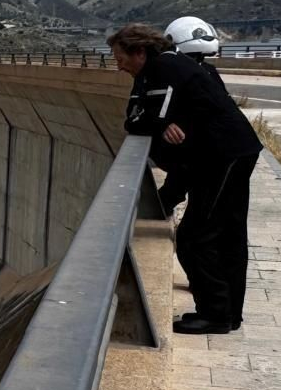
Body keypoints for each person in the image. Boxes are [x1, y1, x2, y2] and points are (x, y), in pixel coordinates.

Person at [110, 23, 262, 335]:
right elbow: (135, 115)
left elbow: (140, 119)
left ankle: (216, 315)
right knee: (227, 236)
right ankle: (228, 314)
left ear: (139, 51)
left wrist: (157, 120)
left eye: (120, 56)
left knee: (197, 237)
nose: (118, 64)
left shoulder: (165, 68)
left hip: (223, 156)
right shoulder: (161, 69)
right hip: (228, 152)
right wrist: (160, 121)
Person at [152, 15, 230, 211]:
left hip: (207, 153)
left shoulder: (179, 73)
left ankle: (162, 205)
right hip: (220, 150)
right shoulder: (209, 71)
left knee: (199, 210)